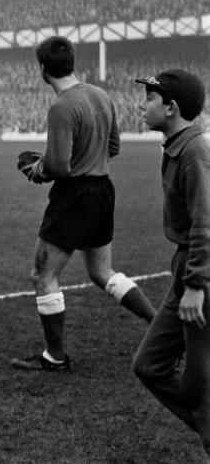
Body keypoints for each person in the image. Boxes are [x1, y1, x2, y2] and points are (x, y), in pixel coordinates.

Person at [11, 36, 155, 372]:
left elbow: (59, 168)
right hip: (103, 189)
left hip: (74, 195)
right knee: (102, 271)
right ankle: (160, 321)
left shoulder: (62, 106)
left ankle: (55, 356)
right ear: (72, 62)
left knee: (44, 274)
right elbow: (114, 148)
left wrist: (37, 169)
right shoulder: (99, 95)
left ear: (43, 69)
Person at [132, 69, 210, 459]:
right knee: (149, 364)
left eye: (149, 99)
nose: (141, 105)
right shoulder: (177, 145)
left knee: (200, 386)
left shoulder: (195, 152)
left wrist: (196, 285)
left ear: (171, 107)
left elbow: (206, 222)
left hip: (201, 276)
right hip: (186, 270)